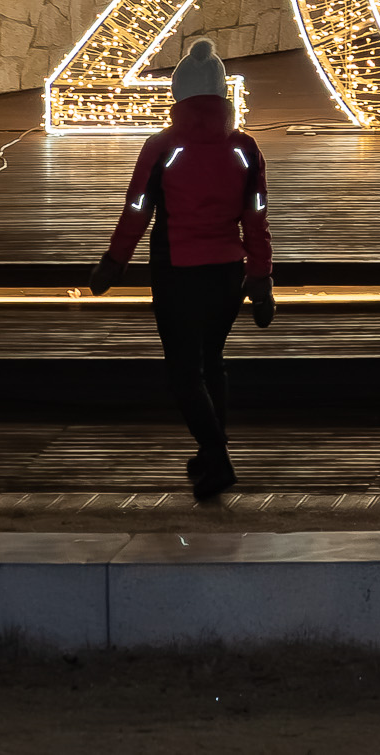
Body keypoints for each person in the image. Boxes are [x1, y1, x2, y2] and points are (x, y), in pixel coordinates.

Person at [85, 39, 274, 501]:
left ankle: (217, 456)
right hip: (227, 272)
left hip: (177, 270)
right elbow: (256, 215)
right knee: (212, 362)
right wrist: (260, 276)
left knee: (184, 372)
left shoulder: (162, 146)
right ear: (222, 94)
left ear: (178, 94)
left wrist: (114, 261)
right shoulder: (244, 148)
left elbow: (137, 208)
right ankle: (211, 453)